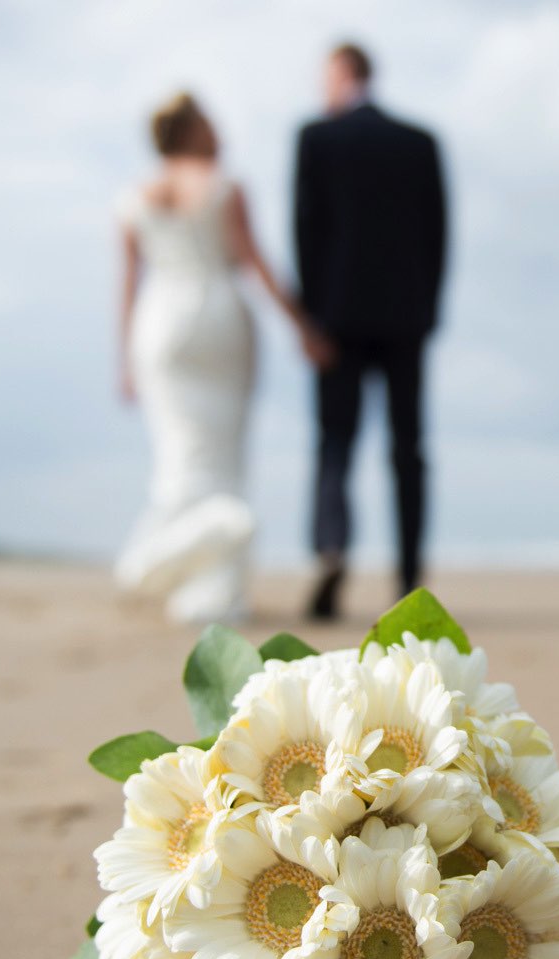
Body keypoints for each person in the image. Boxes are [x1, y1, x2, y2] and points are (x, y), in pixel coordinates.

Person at [116, 91, 328, 622]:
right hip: (219, 320)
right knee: (222, 460)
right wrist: (304, 327)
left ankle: (193, 580)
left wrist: (124, 359)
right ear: (193, 130)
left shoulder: (134, 199)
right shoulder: (224, 188)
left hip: (158, 323)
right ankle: (195, 571)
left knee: (179, 455)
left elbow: (127, 286)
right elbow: (258, 265)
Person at [294, 43, 447, 620]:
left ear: (340, 74)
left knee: (336, 441)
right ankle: (409, 580)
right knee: (408, 449)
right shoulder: (419, 143)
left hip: (337, 318)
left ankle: (332, 547)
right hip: (407, 318)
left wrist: (311, 319)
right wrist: (428, 312)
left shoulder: (317, 138)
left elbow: (307, 230)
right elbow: (438, 234)